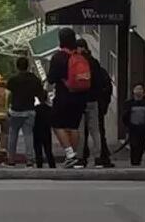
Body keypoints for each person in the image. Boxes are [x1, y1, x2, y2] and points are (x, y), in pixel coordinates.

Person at [48, 28, 89, 168]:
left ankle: (70, 154)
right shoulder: (80, 56)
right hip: (80, 97)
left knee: (56, 124)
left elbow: (51, 79)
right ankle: (74, 156)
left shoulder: (58, 57)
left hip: (63, 96)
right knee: (73, 126)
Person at [6, 56, 44, 167]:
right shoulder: (34, 79)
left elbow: (9, 94)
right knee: (28, 135)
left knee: (13, 134)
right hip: (29, 110)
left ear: (17, 66)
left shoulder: (13, 80)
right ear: (27, 66)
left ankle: (11, 159)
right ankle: (29, 160)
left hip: (16, 111)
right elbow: (40, 95)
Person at [75, 39, 103, 168]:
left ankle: (80, 158)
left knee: (80, 131)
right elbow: (99, 82)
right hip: (93, 100)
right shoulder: (94, 62)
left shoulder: (76, 62)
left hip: (79, 99)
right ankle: (98, 158)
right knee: (95, 131)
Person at [122, 83, 145, 166]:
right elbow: (124, 116)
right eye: (137, 89)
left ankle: (138, 160)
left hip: (143, 128)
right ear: (133, 91)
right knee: (134, 145)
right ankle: (134, 162)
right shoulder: (129, 103)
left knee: (141, 146)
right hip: (133, 128)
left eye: (140, 89)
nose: (139, 91)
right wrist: (127, 126)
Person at [34, 89, 56, 169]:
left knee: (38, 150)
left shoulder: (35, 109)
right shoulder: (49, 109)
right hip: (46, 131)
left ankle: (39, 165)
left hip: (36, 131)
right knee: (48, 150)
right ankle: (52, 165)